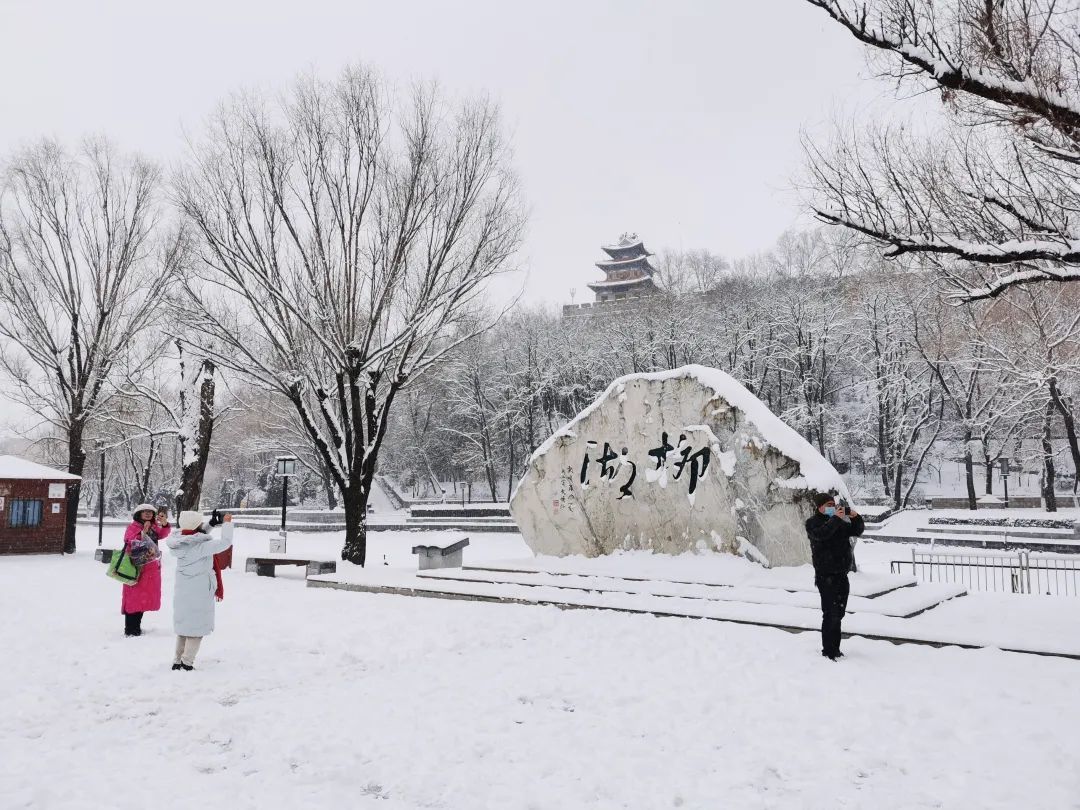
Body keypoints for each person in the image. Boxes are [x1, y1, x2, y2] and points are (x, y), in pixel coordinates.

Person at [167, 510, 232, 671]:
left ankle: (177, 660)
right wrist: (228, 523)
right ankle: (187, 663)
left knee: (184, 628)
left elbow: (196, 535)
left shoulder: (180, 542)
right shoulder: (201, 547)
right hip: (199, 591)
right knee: (196, 629)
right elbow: (225, 542)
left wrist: (211, 524)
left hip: (183, 591)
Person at [805, 492, 864, 661]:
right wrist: (836, 519)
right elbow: (822, 535)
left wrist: (854, 516)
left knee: (839, 613)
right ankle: (828, 651)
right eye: (828, 505)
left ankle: (836, 649)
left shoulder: (839, 522)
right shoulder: (812, 523)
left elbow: (857, 530)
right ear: (820, 507)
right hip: (826, 576)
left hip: (841, 575)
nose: (832, 507)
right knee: (830, 613)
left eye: (833, 504)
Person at [121, 504, 171, 637]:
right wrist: (143, 531)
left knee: (142, 599)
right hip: (135, 567)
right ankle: (131, 629)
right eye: (145, 512)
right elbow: (129, 540)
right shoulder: (133, 527)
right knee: (133, 599)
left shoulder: (154, 527)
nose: (148, 514)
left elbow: (163, 534)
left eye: (150, 512)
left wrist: (164, 524)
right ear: (139, 514)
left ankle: (136, 627)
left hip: (150, 568)